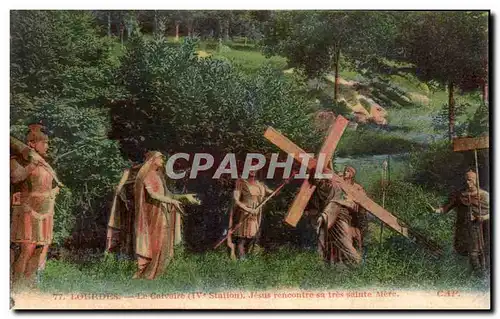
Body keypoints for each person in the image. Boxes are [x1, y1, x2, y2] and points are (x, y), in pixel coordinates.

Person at [132, 151, 199, 279]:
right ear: (152, 160)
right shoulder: (146, 175)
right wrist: (172, 201)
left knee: (165, 241)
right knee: (156, 242)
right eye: (160, 158)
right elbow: (153, 195)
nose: (163, 160)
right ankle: (149, 273)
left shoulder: (159, 175)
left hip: (163, 212)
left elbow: (167, 195)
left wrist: (184, 196)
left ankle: (158, 273)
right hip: (153, 213)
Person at [10, 123, 60, 286]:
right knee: (26, 250)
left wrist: (54, 191)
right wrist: (32, 164)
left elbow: (47, 184)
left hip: (45, 211)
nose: (47, 145)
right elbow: (15, 178)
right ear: (32, 144)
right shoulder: (19, 160)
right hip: (27, 210)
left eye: (47, 142)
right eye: (44, 142)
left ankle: (29, 285)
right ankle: (17, 285)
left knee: (39, 250)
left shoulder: (45, 163)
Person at [434, 170, 489, 274]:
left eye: (471, 180)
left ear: (476, 181)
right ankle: (472, 276)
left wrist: (483, 217)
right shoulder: (460, 195)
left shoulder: (484, 195)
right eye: (466, 180)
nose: (468, 183)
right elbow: (445, 208)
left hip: (478, 228)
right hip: (462, 228)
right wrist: (435, 210)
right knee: (464, 252)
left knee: (476, 253)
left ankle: (480, 275)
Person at [309, 165, 366, 266]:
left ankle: (358, 263)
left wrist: (324, 215)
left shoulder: (336, 186)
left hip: (340, 216)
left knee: (345, 241)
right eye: (315, 178)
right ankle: (334, 265)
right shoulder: (318, 190)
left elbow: (337, 200)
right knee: (330, 243)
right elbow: (315, 205)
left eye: (319, 177)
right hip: (329, 219)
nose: (317, 180)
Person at [228, 167, 273, 260]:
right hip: (244, 213)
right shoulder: (241, 182)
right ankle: (242, 259)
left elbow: (273, 193)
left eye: (255, 168)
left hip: (256, 214)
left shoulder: (261, 185)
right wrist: (247, 209)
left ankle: (251, 256)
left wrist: (286, 182)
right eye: (250, 168)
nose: (252, 170)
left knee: (254, 236)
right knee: (242, 237)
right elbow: (236, 200)